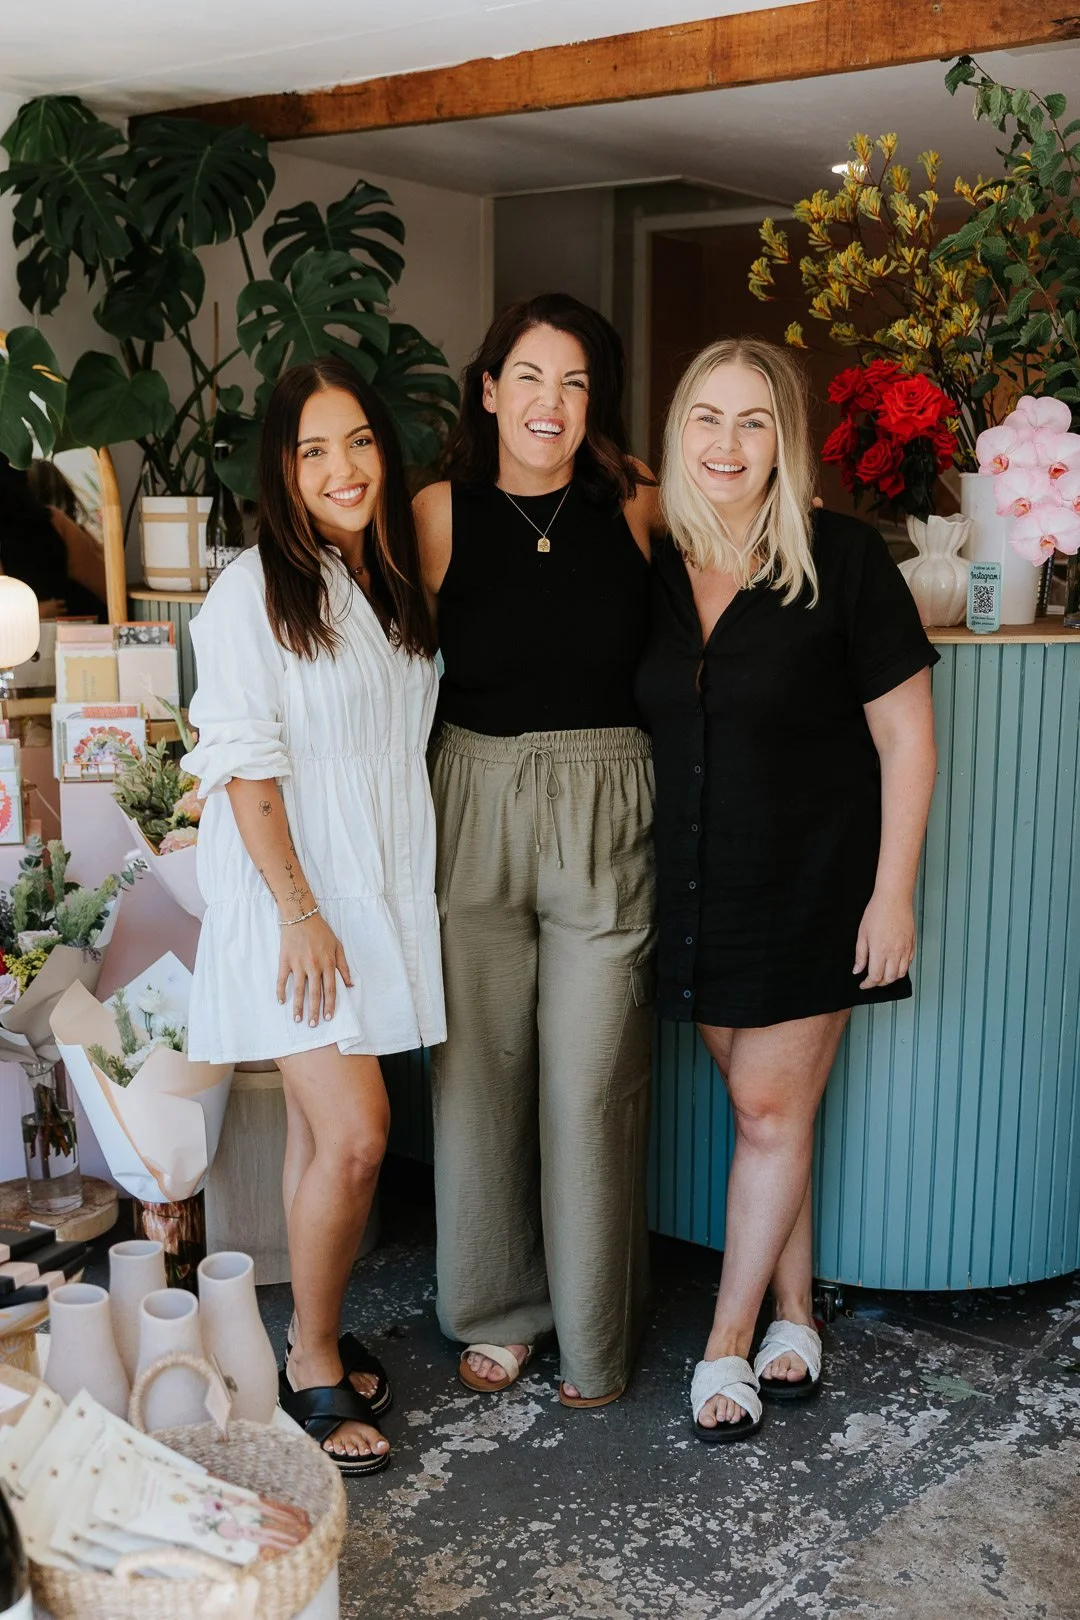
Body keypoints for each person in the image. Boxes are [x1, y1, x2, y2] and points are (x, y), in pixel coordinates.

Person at [635, 337, 938, 1441]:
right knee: (775, 1113)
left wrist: (892, 894)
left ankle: (726, 1345)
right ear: (679, 435)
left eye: (754, 421)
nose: (728, 443)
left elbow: (908, 739)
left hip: (813, 886)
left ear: (785, 444)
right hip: (697, 886)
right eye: (707, 418)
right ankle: (797, 1314)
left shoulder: (843, 559)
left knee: (767, 1112)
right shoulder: (656, 562)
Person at [182, 356, 444, 1475]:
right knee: (357, 1137)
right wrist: (298, 912)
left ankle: (305, 1338)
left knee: (313, 1134)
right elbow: (245, 765)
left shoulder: (385, 577)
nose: (344, 468)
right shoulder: (252, 591)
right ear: (281, 471)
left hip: (369, 887)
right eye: (314, 450)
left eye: (360, 442)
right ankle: (313, 1358)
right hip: (293, 898)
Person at [413, 293, 657, 1407]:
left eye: (574, 382)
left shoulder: (638, 502)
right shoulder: (438, 513)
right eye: (529, 376)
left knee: (592, 1083)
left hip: (607, 804)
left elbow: (750, 547)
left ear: (593, 403)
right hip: (473, 796)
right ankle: (497, 1312)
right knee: (480, 1076)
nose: (549, 402)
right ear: (488, 388)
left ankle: (595, 1336)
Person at [0, 454, 106, 619]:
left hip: (73, 622)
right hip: (83, 621)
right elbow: (106, 588)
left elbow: (104, 586)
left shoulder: (54, 520)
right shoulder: (54, 520)